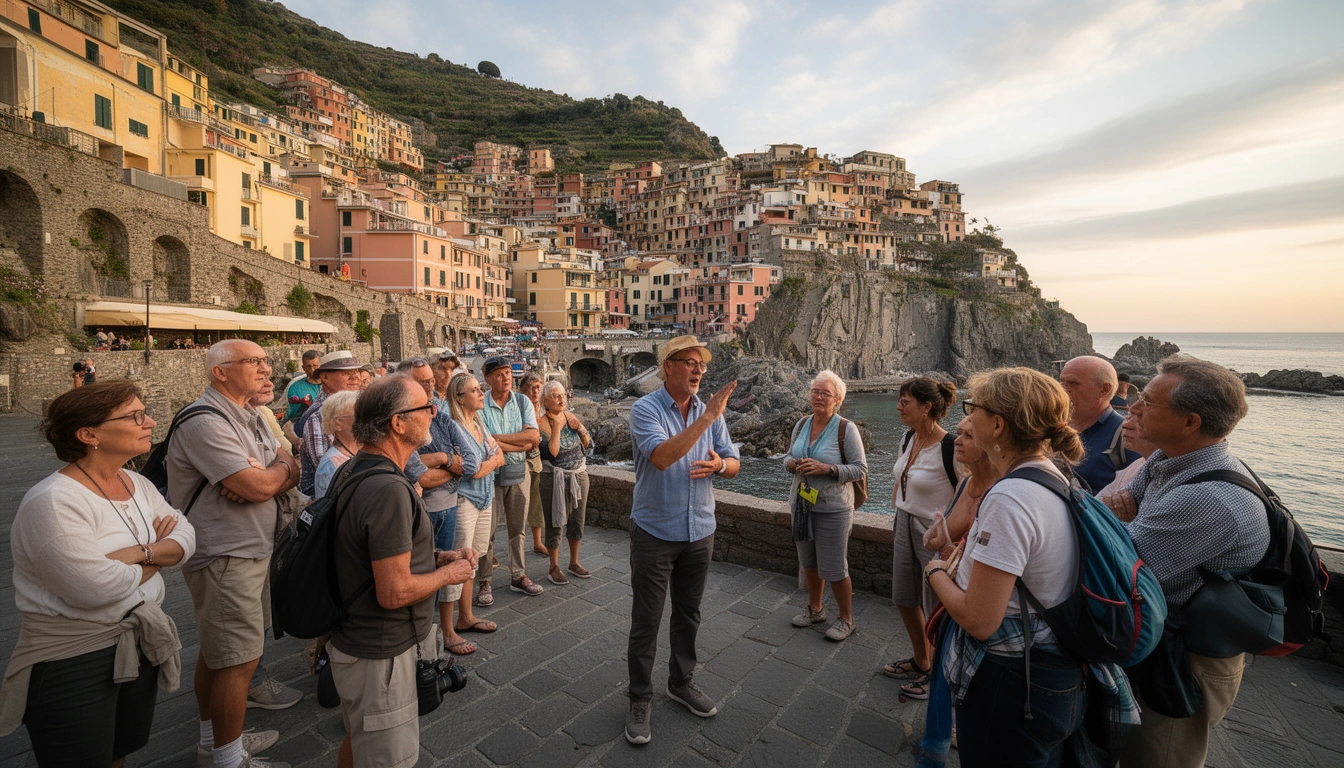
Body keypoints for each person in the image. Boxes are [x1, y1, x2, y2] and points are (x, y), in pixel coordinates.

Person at [0, 382, 197, 767]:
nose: (150, 421)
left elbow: (187, 537)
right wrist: (159, 554)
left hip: (137, 642)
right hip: (74, 657)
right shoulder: (54, 502)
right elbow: (95, 588)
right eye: (135, 416)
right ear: (89, 434)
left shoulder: (136, 482)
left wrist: (136, 555)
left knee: (117, 751)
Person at [1106, 356, 1269, 768]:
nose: (1132, 407)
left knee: (1160, 756)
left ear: (1190, 422)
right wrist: (1121, 523)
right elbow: (1111, 520)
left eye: (1147, 400)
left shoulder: (1207, 499)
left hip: (1189, 660)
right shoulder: (1168, 461)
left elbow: (1113, 563)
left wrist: (1125, 521)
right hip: (1164, 638)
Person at [923, 367, 1091, 765]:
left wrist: (935, 572)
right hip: (1053, 672)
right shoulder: (1054, 475)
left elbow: (980, 620)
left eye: (973, 409)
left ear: (997, 425)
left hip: (1013, 680)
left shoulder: (1010, 497)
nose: (966, 419)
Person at [326, 374, 478, 768]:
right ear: (397, 422)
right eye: (425, 407)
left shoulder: (355, 468)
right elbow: (392, 592)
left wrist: (438, 558)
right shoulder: (390, 489)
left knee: (359, 742)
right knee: (388, 758)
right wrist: (451, 575)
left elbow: (367, 554)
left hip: (355, 641)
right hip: (380, 653)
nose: (433, 412)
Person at [167, 339, 300, 768]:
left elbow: (288, 463)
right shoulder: (204, 422)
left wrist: (271, 473)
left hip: (248, 548)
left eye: (266, 361)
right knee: (237, 661)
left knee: (220, 653)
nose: (267, 369)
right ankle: (227, 760)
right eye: (254, 362)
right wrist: (266, 477)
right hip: (226, 554)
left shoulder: (249, 415)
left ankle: (215, 744)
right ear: (219, 372)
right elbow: (260, 484)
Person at [624, 335, 740, 745]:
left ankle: (681, 681)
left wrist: (719, 464)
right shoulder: (645, 409)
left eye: (701, 365)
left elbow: (733, 461)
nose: (698, 370)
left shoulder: (712, 413)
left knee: (688, 614)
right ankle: (640, 697)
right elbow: (661, 457)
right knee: (647, 621)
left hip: (699, 529)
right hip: (655, 531)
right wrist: (707, 418)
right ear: (668, 367)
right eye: (690, 362)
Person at [913, 415, 1003, 760]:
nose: (959, 440)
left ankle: (949, 735)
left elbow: (947, 538)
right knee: (942, 664)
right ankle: (935, 742)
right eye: (960, 433)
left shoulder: (998, 491)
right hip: (954, 582)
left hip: (967, 592)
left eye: (968, 435)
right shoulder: (968, 484)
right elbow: (940, 534)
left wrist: (939, 561)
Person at [398, 357, 481, 656]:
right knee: (416, 580)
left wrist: (439, 461)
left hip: (449, 507)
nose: (430, 388)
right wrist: (447, 460)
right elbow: (417, 474)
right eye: (422, 383)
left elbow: (471, 463)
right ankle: (416, 643)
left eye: (431, 382)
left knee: (439, 575)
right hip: (421, 512)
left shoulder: (442, 419)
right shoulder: (401, 423)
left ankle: (437, 636)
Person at [882, 377, 959, 696]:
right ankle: (920, 660)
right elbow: (901, 479)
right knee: (903, 596)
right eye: (899, 400)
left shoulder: (950, 446)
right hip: (904, 520)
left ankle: (939, 676)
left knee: (936, 606)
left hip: (935, 532)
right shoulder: (907, 438)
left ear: (927, 408)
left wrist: (951, 539)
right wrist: (898, 509)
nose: (899, 406)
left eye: (905, 401)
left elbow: (967, 493)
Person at [783, 370, 867, 642]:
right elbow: (786, 458)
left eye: (825, 393)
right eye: (815, 391)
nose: (818, 397)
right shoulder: (802, 423)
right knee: (808, 561)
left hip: (833, 508)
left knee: (834, 566)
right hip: (802, 504)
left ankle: (846, 619)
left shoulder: (846, 429)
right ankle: (815, 609)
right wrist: (792, 464)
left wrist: (827, 468)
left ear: (838, 399)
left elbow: (859, 469)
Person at [446, 371, 507, 645]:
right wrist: (491, 463)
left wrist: (490, 464)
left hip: (484, 498)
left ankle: (466, 616)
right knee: (458, 560)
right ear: (459, 398)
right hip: (465, 499)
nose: (481, 393)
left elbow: (499, 455)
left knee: (471, 559)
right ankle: (448, 630)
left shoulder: (478, 421)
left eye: (480, 389)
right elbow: (472, 471)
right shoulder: (453, 426)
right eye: (474, 390)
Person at [477, 356, 543, 602]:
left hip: (518, 472)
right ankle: (485, 581)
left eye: (507, 373)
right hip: (489, 475)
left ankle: (519, 575)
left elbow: (534, 438)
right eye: (499, 374)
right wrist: (520, 442)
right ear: (488, 379)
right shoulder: (480, 404)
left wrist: (497, 440)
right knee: (488, 530)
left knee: (518, 529)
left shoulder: (523, 401)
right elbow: (482, 443)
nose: (505, 378)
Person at [537, 379, 593, 585]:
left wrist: (580, 429)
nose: (561, 399)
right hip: (554, 477)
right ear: (545, 401)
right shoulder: (540, 424)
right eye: (555, 396)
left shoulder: (571, 417)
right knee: (555, 521)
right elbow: (552, 452)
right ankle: (553, 565)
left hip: (579, 475)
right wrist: (558, 429)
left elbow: (588, 445)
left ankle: (574, 562)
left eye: (563, 395)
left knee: (577, 520)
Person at [1059, 355, 1139, 493]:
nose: (1063, 389)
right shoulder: (1050, 428)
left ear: (1104, 389)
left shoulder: (1126, 435)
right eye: (1062, 382)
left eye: (1073, 383)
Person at [295, 351, 362, 497]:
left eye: (357, 371)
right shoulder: (319, 416)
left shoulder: (352, 407)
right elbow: (332, 472)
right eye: (346, 373)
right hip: (330, 502)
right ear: (325, 377)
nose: (355, 377)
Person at [519, 372, 548, 556]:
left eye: (539, 387)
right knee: (518, 505)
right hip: (519, 458)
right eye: (533, 387)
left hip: (537, 458)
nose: (536, 391)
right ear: (523, 390)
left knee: (537, 502)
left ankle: (537, 542)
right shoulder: (517, 407)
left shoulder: (543, 409)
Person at [1097, 410, 1156, 498]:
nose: (1125, 425)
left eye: (1139, 420)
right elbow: (1098, 503)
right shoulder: (1137, 465)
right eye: (1128, 417)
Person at [313, 391, 360, 499]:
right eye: (359, 415)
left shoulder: (359, 452)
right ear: (337, 424)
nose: (366, 420)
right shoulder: (331, 466)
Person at [282, 350, 323, 424]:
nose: (312, 370)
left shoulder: (330, 383)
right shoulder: (295, 388)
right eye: (309, 367)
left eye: (315, 366)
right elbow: (295, 415)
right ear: (303, 368)